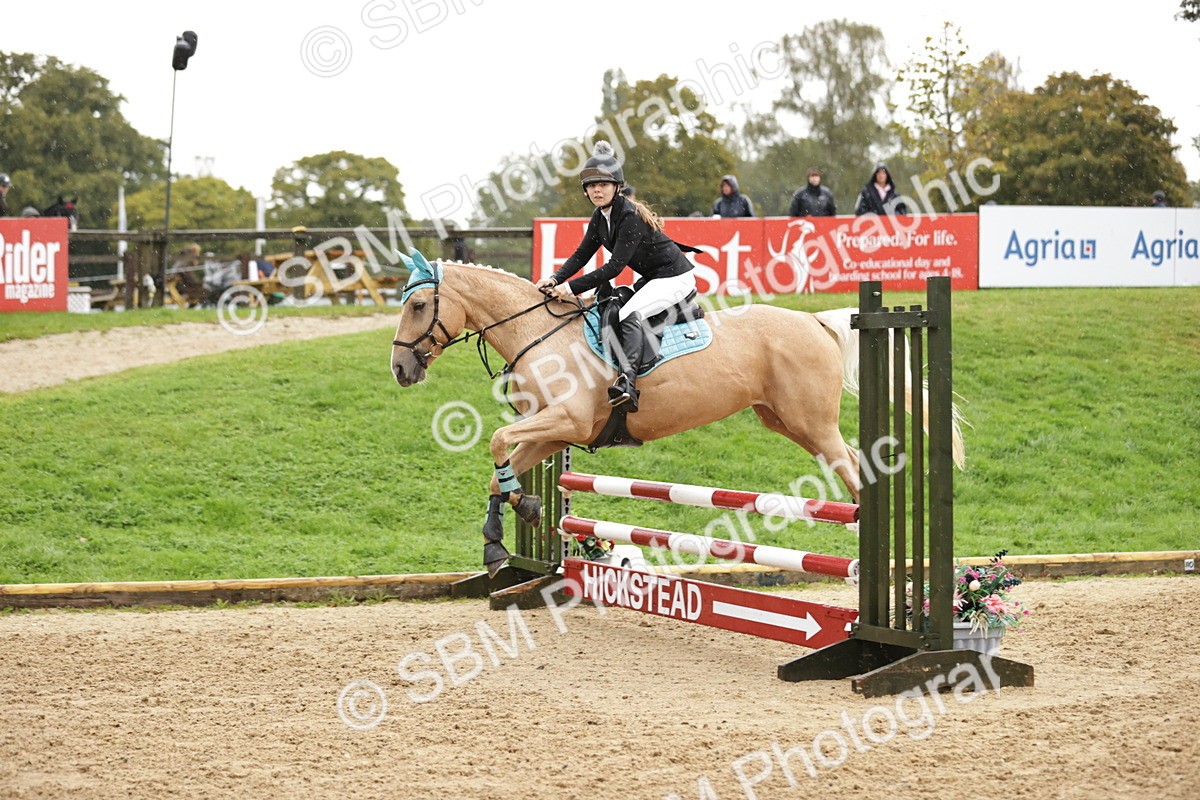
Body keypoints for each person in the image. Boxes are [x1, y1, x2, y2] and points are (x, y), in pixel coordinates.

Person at [535, 141, 696, 412]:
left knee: (628, 314)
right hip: (653, 279)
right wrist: (554, 278)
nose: (597, 190)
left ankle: (627, 385)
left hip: (674, 278)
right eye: (591, 185)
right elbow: (581, 254)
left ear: (616, 187)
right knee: (613, 303)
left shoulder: (629, 216)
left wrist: (570, 288)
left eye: (603, 185)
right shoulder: (600, 216)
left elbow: (614, 268)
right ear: (586, 191)